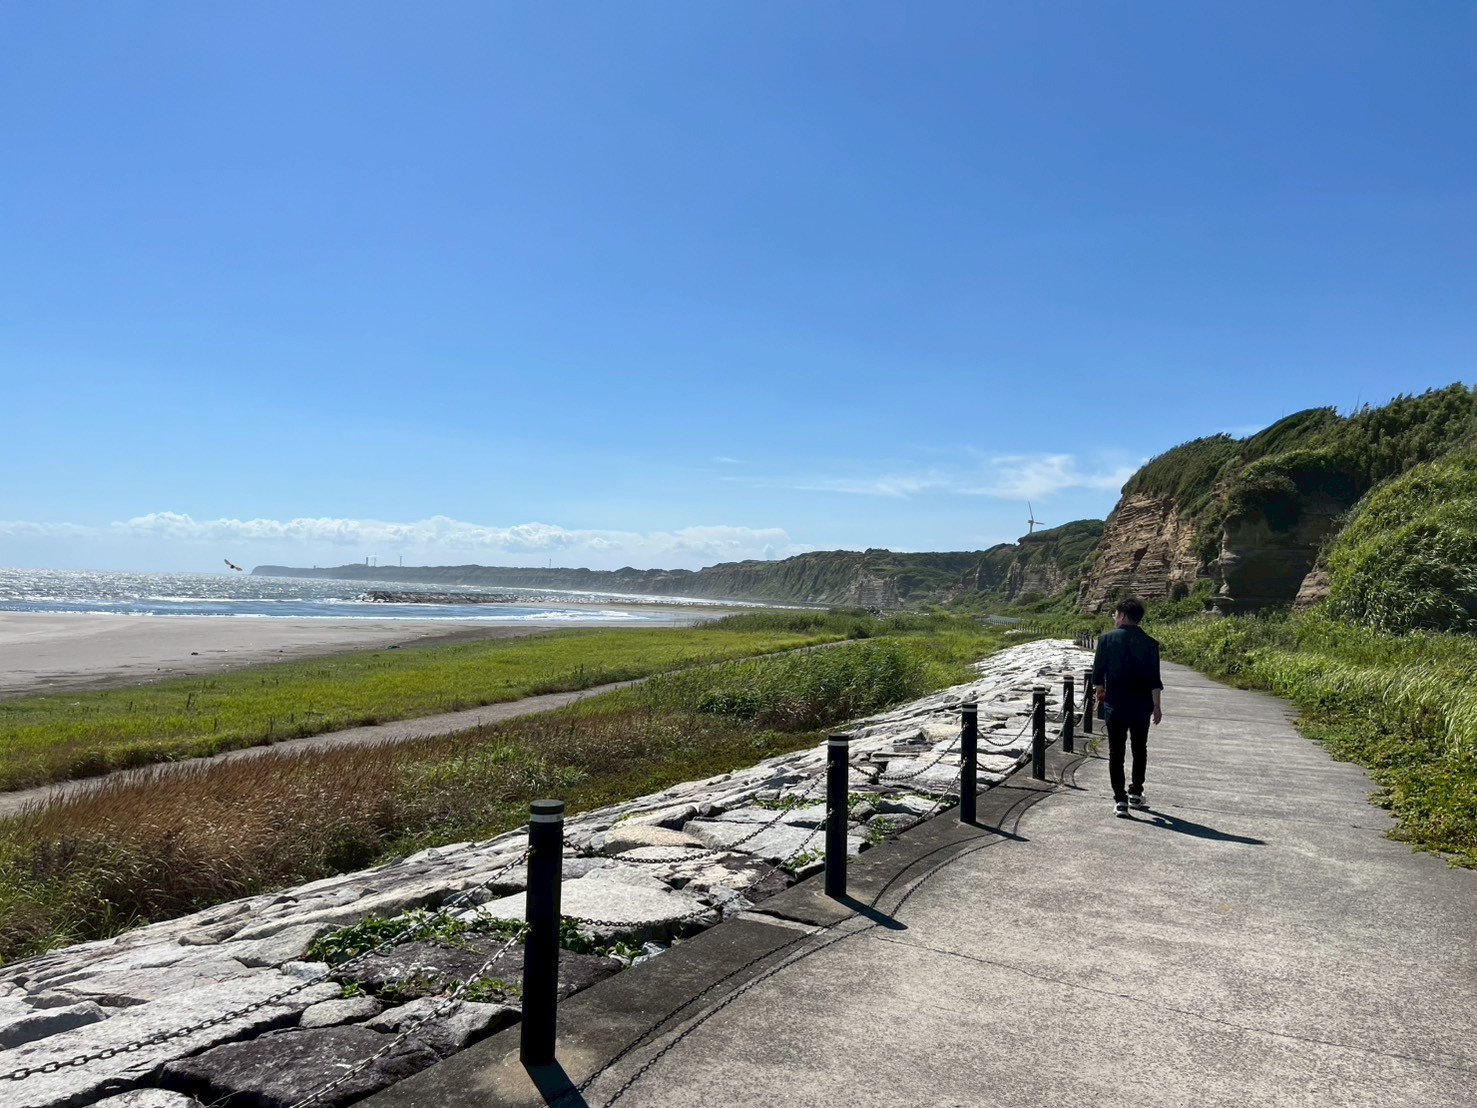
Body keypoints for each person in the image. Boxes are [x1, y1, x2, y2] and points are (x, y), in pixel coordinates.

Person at [1091, 597, 1164, 818]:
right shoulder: (1150, 643)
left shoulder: (1106, 640)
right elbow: (1154, 679)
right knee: (1139, 749)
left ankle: (1120, 800)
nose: (1114, 618)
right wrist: (1157, 706)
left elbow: (1097, 676)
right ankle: (1136, 792)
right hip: (1142, 706)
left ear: (1122, 615)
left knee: (1116, 753)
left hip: (1116, 706)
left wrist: (1100, 694)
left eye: (1115, 614)